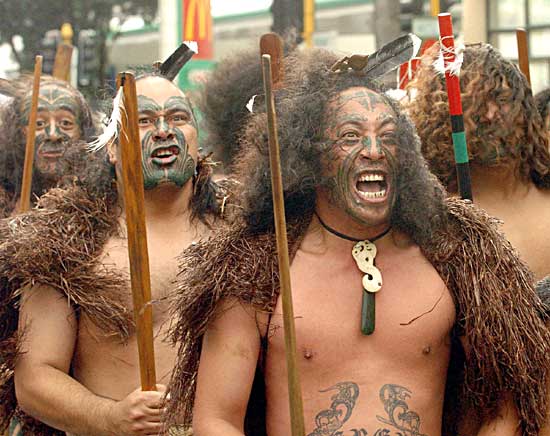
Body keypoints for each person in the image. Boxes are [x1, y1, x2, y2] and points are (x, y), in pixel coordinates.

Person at [165, 48, 549, 436]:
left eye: (388, 137)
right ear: (308, 157)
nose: (373, 151)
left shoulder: (456, 256)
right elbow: (217, 419)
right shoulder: (255, 268)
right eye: (351, 137)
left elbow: (503, 406)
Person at [0, 71, 228, 435]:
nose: (164, 130)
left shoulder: (240, 235)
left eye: (179, 117)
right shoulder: (68, 243)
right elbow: (34, 379)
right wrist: (110, 418)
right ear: (111, 147)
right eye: (143, 120)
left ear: (197, 142)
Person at [407, 43, 550, 280]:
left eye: (502, 98)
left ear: (524, 107)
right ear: (443, 117)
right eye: (476, 104)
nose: (491, 114)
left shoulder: (545, 183)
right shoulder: (437, 215)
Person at [0, 76, 97, 217]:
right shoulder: (5, 204)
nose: (53, 134)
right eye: (38, 123)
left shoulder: (103, 201)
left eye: (65, 123)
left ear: (82, 132)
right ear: (18, 134)